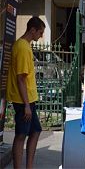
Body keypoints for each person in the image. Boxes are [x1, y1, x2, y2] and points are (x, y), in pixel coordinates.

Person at [6, 16, 45, 169]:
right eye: (40, 32)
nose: (41, 36)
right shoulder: (22, 47)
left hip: (27, 99)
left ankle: (29, 166)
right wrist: (27, 105)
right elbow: (21, 79)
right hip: (23, 101)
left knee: (35, 131)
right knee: (21, 135)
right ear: (32, 30)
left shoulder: (25, 45)